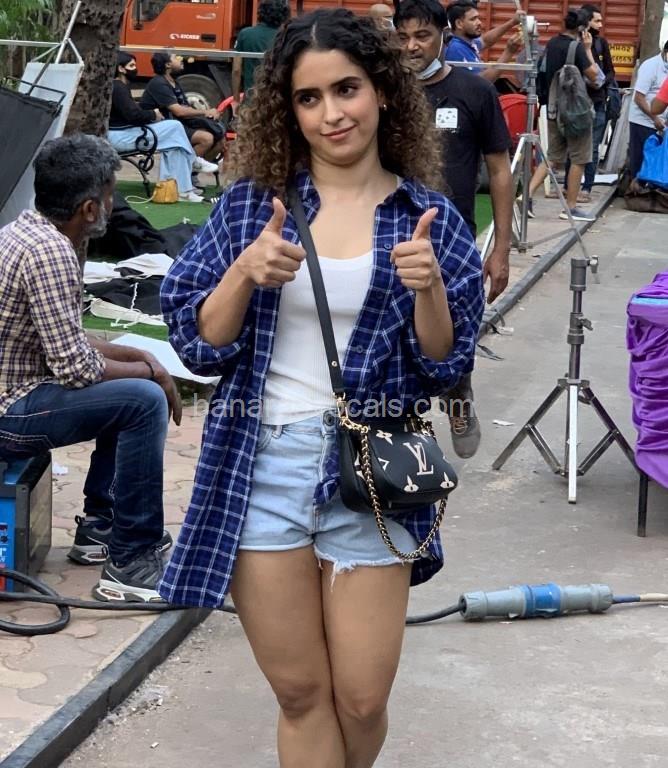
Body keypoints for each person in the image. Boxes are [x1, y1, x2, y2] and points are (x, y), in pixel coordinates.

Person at [159, 9, 484, 766]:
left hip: (370, 470)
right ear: (289, 110)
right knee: (302, 694)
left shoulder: (427, 216)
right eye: (309, 97)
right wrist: (245, 272)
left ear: (382, 91)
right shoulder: (252, 206)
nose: (332, 113)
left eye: (347, 89)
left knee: (362, 698)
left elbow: (444, 364)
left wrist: (429, 288)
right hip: (260, 463)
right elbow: (196, 342)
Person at [0, 134, 182, 602]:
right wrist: (153, 376)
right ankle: (131, 562)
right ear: (88, 209)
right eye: (109, 195)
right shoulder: (52, 253)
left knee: (130, 387)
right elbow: (75, 370)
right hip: (9, 412)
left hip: (16, 395)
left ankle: (103, 527)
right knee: (142, 401)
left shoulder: (25, 230)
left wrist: (139, 357)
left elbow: (67, 339)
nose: (112, 204)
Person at [395, 0, 513, 459]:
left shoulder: (474, 92)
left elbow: (499, 171)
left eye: (422, 36)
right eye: (403, 37)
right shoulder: (384, 92)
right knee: (394, 334)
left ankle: (459, 398)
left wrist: (500, 249)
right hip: (390, 233)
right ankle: (398, 427)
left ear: (444, 36)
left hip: (454, 240)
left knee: (455, 332)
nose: (412, 46)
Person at [108, 52, 216, 203]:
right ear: (121, 68)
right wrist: (153, 114)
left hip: (125, 133)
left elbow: (130, 112)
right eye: (131, 65)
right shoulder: (118, 87)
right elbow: (132, 115)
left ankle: (180, 191)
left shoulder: (121, 86)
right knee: (174, 127)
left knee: (174, 145)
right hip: (121, 136)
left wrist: (150, 114)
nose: (135, 68)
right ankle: (192, 162)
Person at [526, 9, 600, 221]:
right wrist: (588, 49)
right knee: (579, 157)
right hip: (575, 113)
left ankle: (526, 196)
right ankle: (571, 207)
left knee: (553, 157)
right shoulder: (577, 47)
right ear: (582, 29)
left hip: (553, 109)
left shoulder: (552, 43)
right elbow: (594, 75)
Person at [563, 4, 616, 203]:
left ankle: (586, 187)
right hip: (577, 104)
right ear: (586, 23)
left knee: (592, 148)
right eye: (597, 21)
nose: (600, 25)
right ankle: (569, 187)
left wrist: (601, 83)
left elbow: (608, 73)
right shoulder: (574, 45)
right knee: (574, 148)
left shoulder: (601, 43)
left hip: (598, 102)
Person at [140, 52, 226, 162]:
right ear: (168, 65)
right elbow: (179, 111)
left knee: (220, 138)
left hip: (178, 124)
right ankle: (183, 167)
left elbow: (185, 107)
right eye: (176, 57)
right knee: (206, 139)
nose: (181, 59)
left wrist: (209, 116)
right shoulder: (158, 83)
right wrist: (205, 112)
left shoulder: (173, 82)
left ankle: (196, 167)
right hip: (162, 127)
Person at [444, 0, 524, 84]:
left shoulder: (466, 41)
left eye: (478, 18)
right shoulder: (455, 49)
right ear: (459, 24)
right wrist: (509, 52)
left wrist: (512, 22)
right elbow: (480, 83)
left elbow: (485, 40)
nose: (479, 22)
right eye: (473, 19)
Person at [231, 0, 290, 112]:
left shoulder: (245, 34)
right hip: (277, 101)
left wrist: (236, 100)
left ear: (260, 13)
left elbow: (236, 71)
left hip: (252, 101)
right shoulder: (286, 36)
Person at [628, 41, 668, 180]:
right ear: (665, 52)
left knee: (655, 162)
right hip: (643, 122)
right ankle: (635, 187)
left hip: (662, 123)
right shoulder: (651, 66)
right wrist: (655, 119)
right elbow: (639, 97)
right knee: (640, 161)